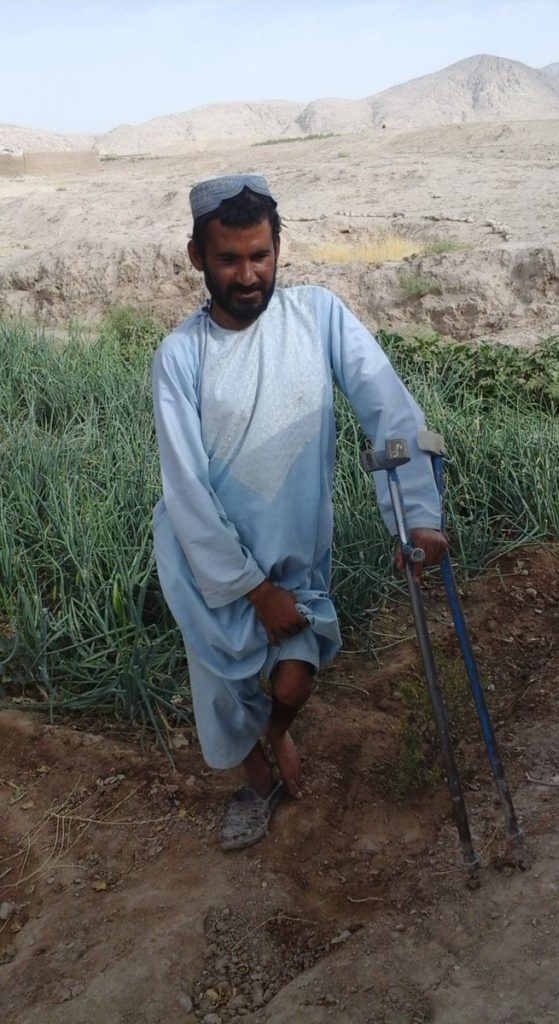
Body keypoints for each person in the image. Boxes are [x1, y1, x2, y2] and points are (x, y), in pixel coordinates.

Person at [152, 173, 447, 850]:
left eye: (261, 255)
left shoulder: (318, 316)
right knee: (224, 690)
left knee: (294, 674)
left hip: (294, 554)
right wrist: (252, 590)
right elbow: (186, 490)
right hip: (210, 564)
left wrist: (417, 516)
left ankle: (275, 733)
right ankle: (257, 785)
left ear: (279, 247)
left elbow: (387, 407)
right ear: (198, 257)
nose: (248, 274)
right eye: (229, 259)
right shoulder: (180, 358)